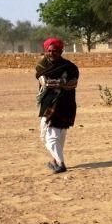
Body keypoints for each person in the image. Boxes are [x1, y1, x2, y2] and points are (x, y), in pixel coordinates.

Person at [35, 38, 79, 174]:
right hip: (48, 103)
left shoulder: (70, 67)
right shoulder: (42, 66)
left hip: (65, 104)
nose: (52, 53)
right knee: (50, 135)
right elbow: (44, 82)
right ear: (45, 51)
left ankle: (60, 164)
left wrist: (58, 83)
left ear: (61, 51)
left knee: (55, 136)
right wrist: (62, 82)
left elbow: (73, 84)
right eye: (49, 51)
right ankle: (55, 160)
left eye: (55, 51)